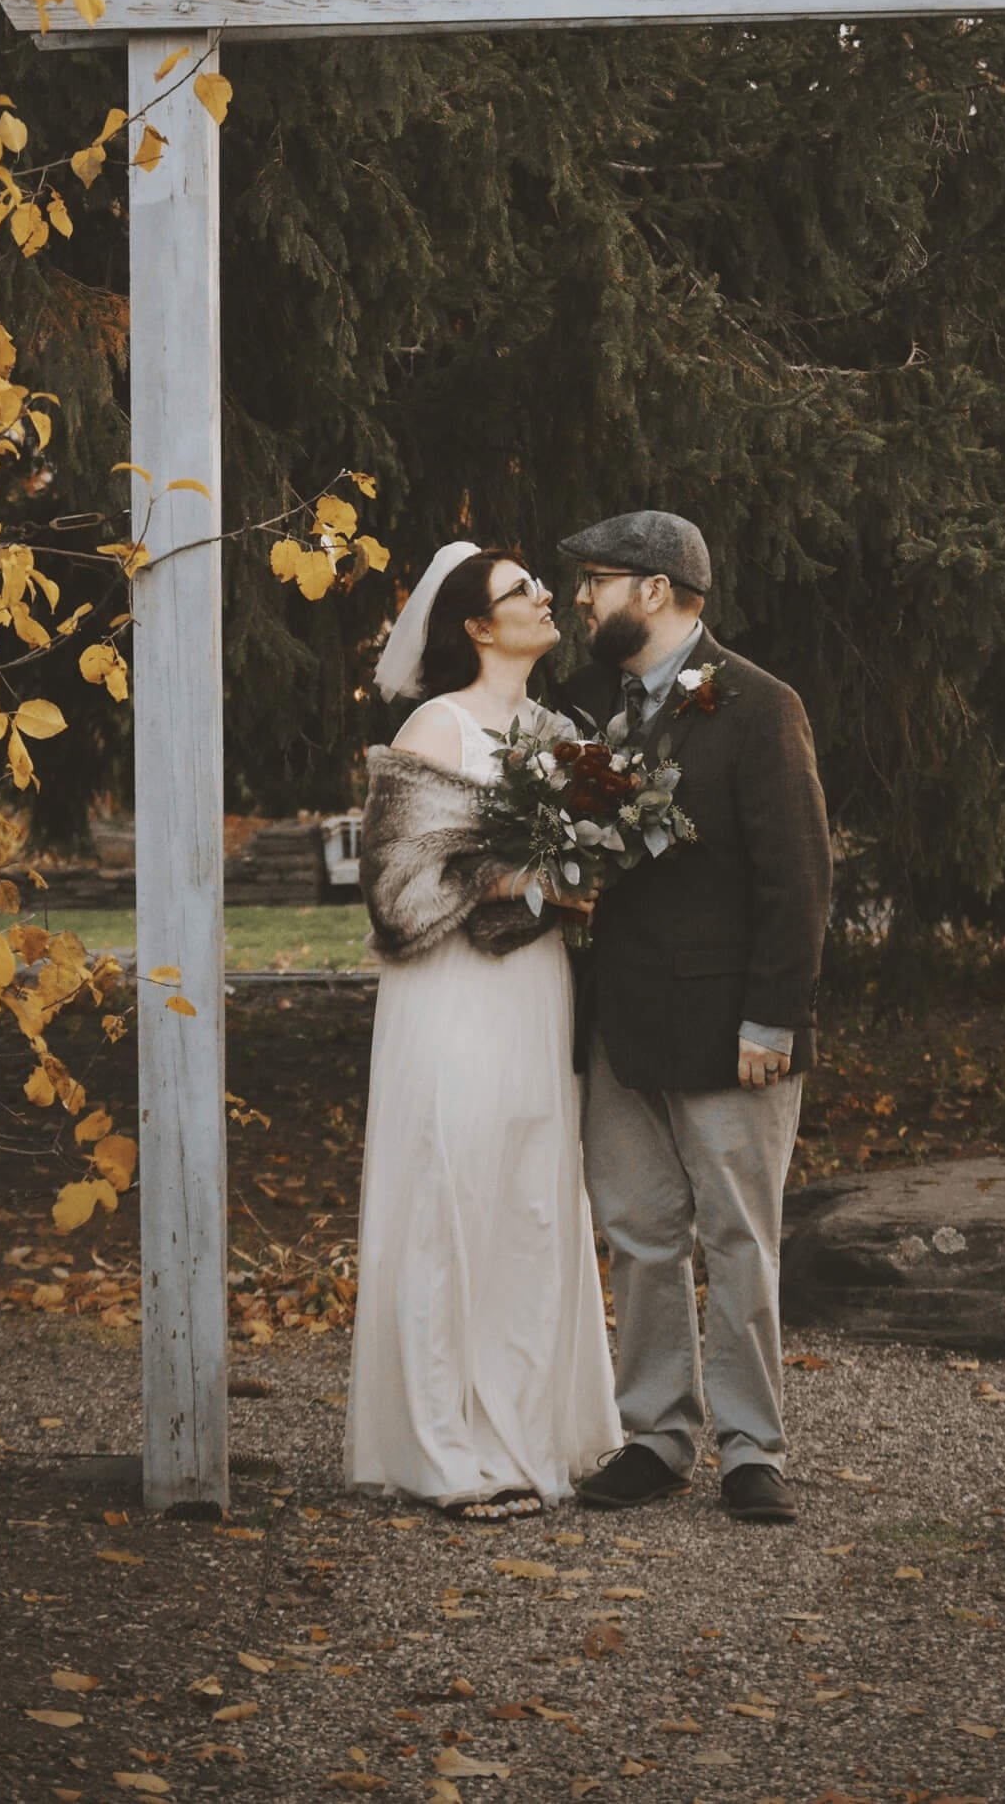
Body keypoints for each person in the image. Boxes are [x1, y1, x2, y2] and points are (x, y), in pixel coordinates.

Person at [558, 509, 832, 1525]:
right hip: (620, 1023)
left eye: (597, 581)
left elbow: (799, 873)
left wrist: (774, 1016)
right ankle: (657, 1436)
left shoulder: (759, 705)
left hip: (731, 1028)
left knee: (737, 1238)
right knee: (637, 1232)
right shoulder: (582, 706)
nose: (581, 600)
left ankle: (752, 1447)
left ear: (658, 589)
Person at [343, 541, 621, 1521]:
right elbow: (396, 888)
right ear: (475, 625)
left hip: (535, 989)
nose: (547, 598)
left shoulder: (558, 729)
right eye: (522, 591)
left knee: (530, 1204)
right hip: (450, 993)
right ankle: (443, 1450)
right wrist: (520, 882)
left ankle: (527, 1432)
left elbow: (590, 860)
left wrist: (578, 881)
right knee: (446, 1200)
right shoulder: (437, 725)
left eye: (542, 587)